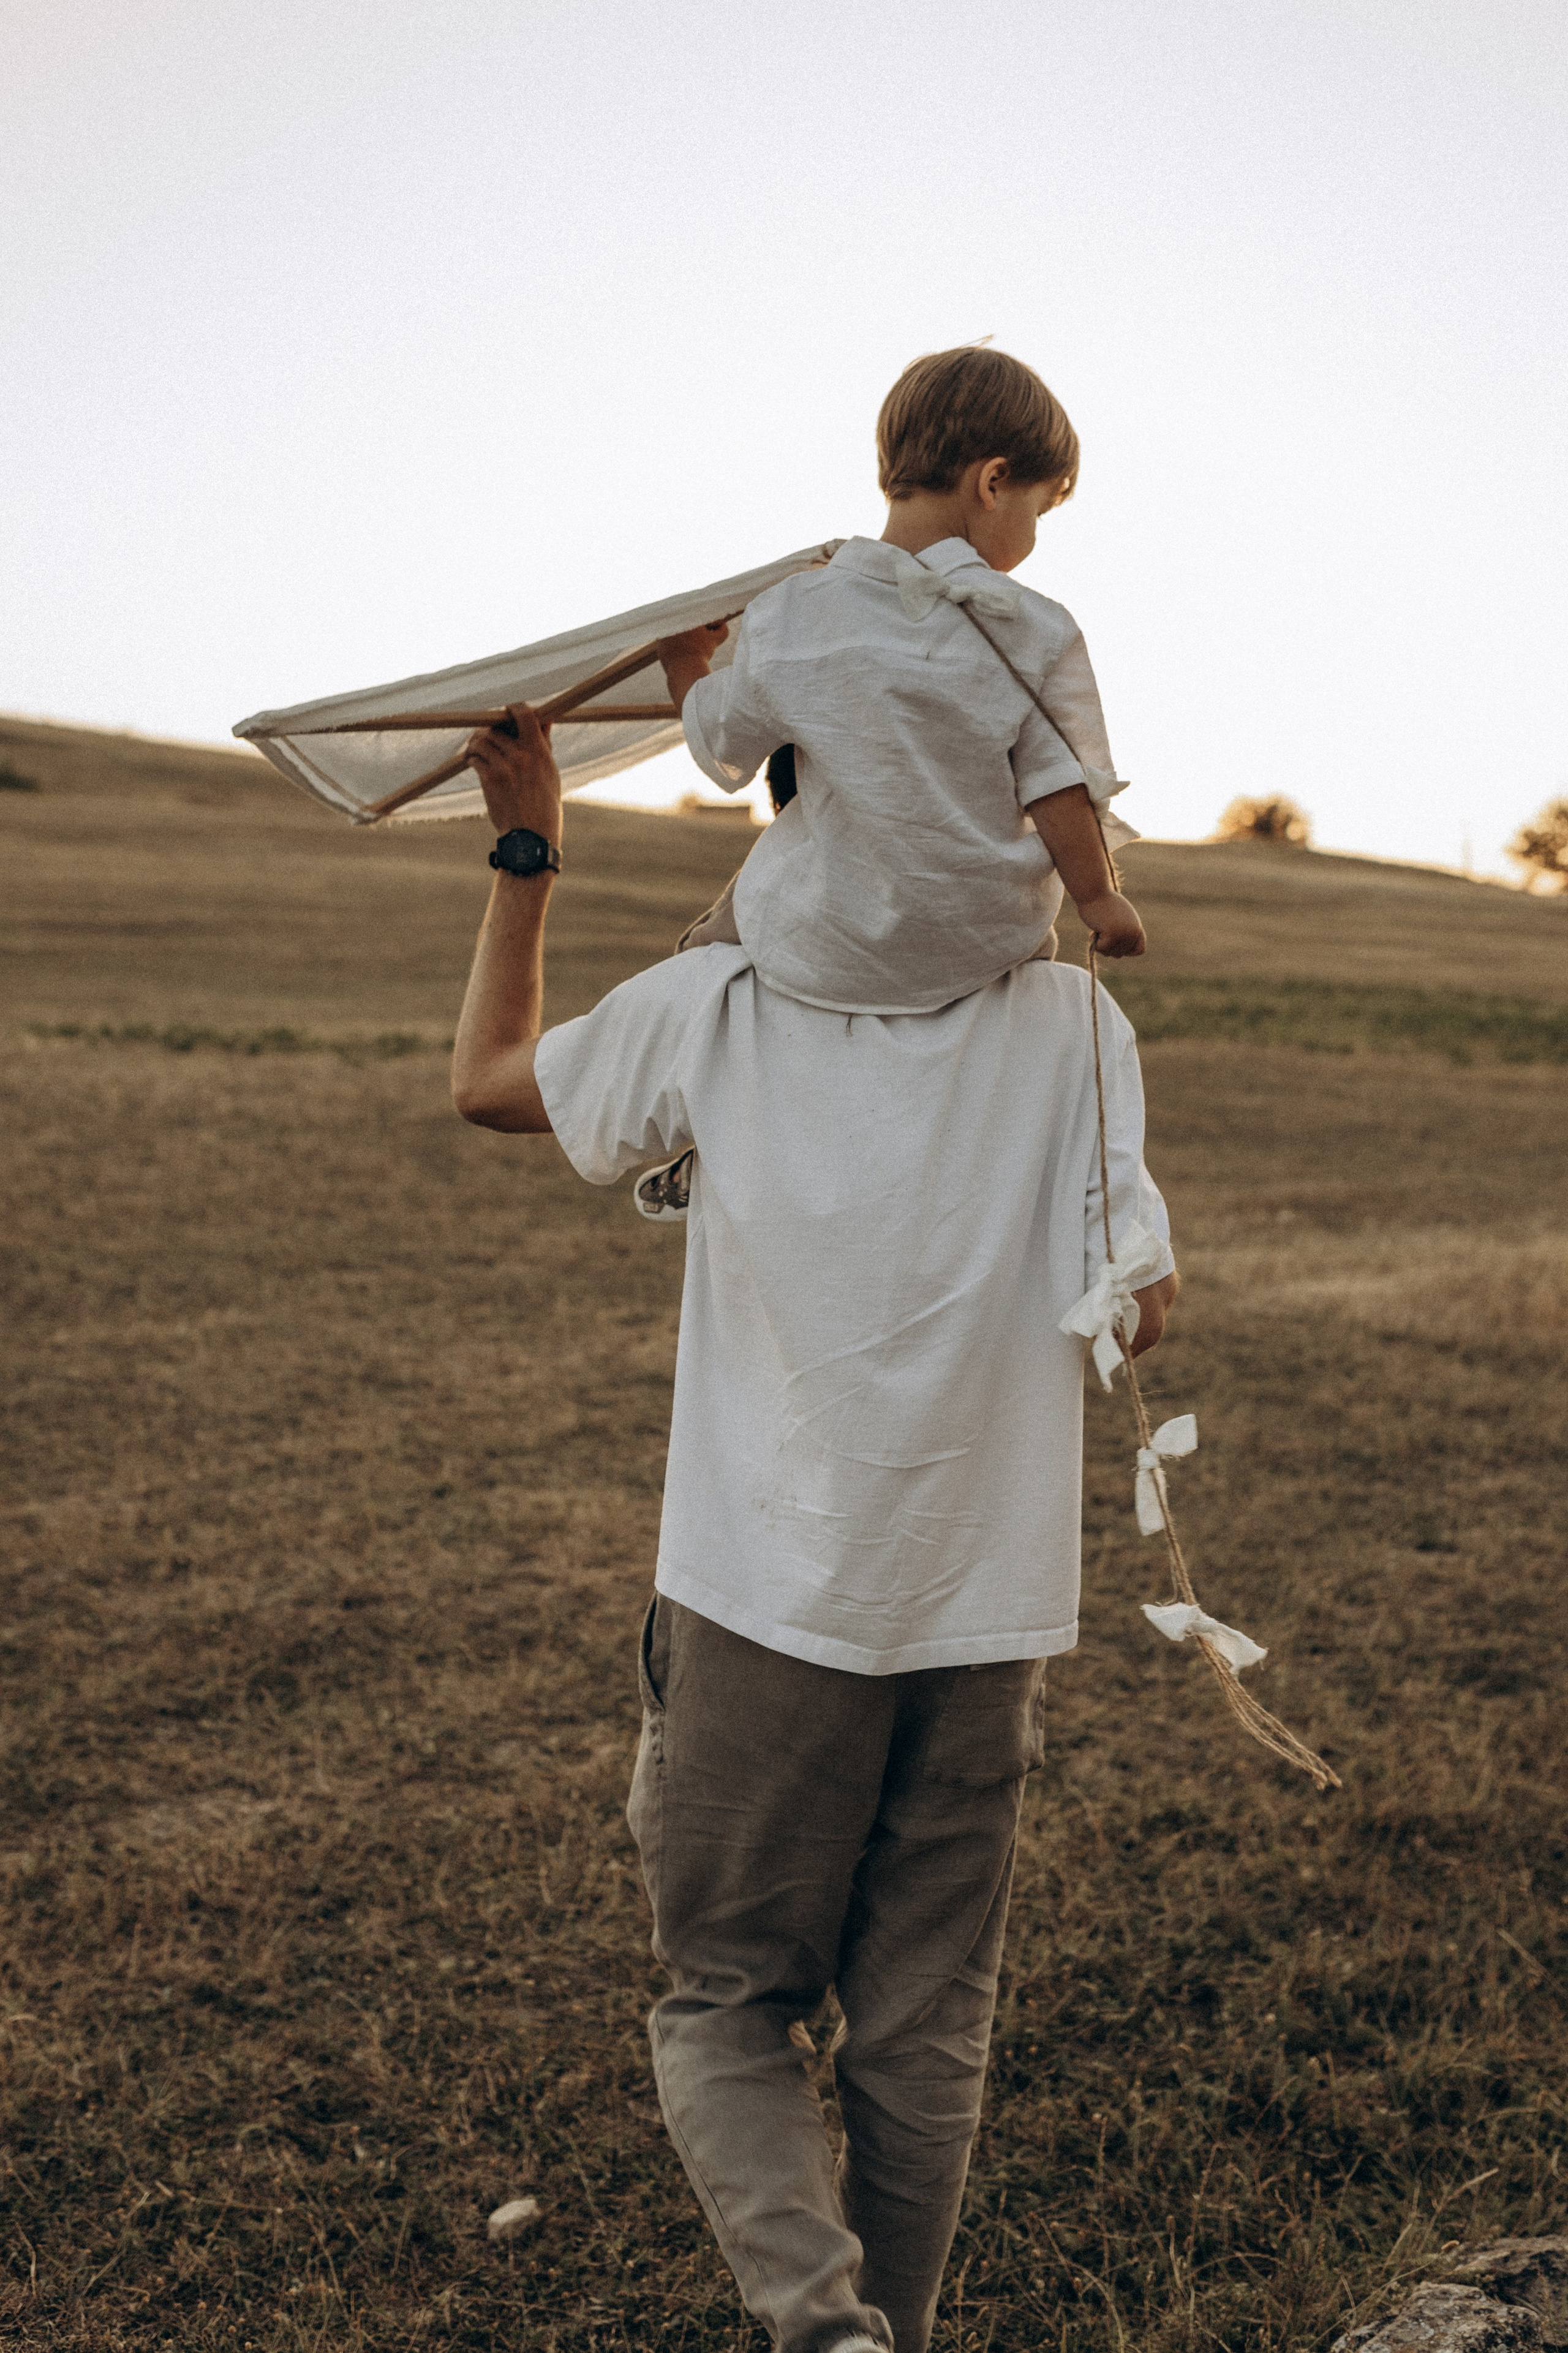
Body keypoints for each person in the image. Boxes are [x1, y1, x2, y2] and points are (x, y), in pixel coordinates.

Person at [450, 695, 1180, 2353]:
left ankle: (825, 2335)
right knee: (924, 2034)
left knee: (725, 2003)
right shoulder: (1072, 1022)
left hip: (766, 1602)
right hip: (985, 1611)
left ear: (799, 814)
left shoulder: (724, 1003)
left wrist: (528, 850)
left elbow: (492, 1083)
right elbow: (1146, 1303)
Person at [652, 344, 1146, 1019]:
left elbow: (719, 735)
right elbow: (1058, 785)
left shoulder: (795, 613)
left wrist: (685, 662)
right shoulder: (1034, 627)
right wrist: (1098, 897)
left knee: (700, 962)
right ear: (994, 482)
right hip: (978, 941)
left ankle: (686, 1052)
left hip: (826, 941)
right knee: (1032, 963)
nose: (1032, 538)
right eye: (1038, 511)